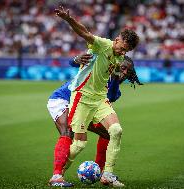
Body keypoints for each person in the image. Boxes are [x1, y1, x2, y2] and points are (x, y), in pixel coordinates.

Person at [54, 5, 139, 187]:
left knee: (116, 130)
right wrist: (69, 20)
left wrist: (121, 74)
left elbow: (111, 77)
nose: (122, 53)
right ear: (117, 40)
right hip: (82, 97)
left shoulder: (117, 56)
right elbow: (85, 33)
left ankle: (108, 174)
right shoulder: (104, 45)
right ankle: (57, 175)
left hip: (100, 99)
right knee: (79, 145)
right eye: (122, 48)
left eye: (126, 51)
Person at [47, 55, 142, 187]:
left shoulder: (114, 88)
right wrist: (75, 60)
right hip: (62, 99)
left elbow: (112, 96)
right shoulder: (100, 69)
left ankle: (103, 173)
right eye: (123, 68)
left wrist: (115, 76)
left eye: (128, 71)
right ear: (115, 65)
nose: (125, 73)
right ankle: (57, 176)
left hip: (86, 105)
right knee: (68, 133)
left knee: (108, 133)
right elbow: (75, 62)